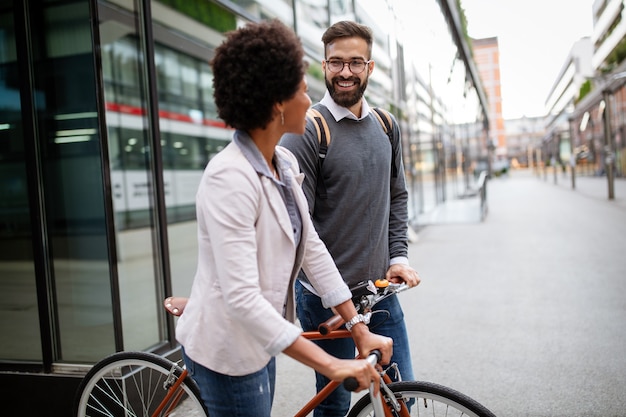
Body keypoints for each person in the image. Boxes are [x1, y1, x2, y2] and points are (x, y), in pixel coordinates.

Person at [174, 19, 393, 417]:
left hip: (259, 342)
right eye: (302, 90)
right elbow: (242, 299)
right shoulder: (228, 178)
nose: (310, 102)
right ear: (277, 102)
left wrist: (358, 327)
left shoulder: (285, 162)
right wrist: (331, 364)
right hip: (228, 353)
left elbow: (312, 248)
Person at [280, 20, 421, 417]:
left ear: (369, 68)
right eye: (336, 63)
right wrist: (338, 302)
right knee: (336, 403)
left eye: (355, 62)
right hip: (326, 300)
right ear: (323, 66)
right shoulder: (307, 131)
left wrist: (399, 257)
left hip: (380, 292)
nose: (346, 72)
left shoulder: (386, 125)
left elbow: (397, 196)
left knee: (400, 398)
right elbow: (299, 229)